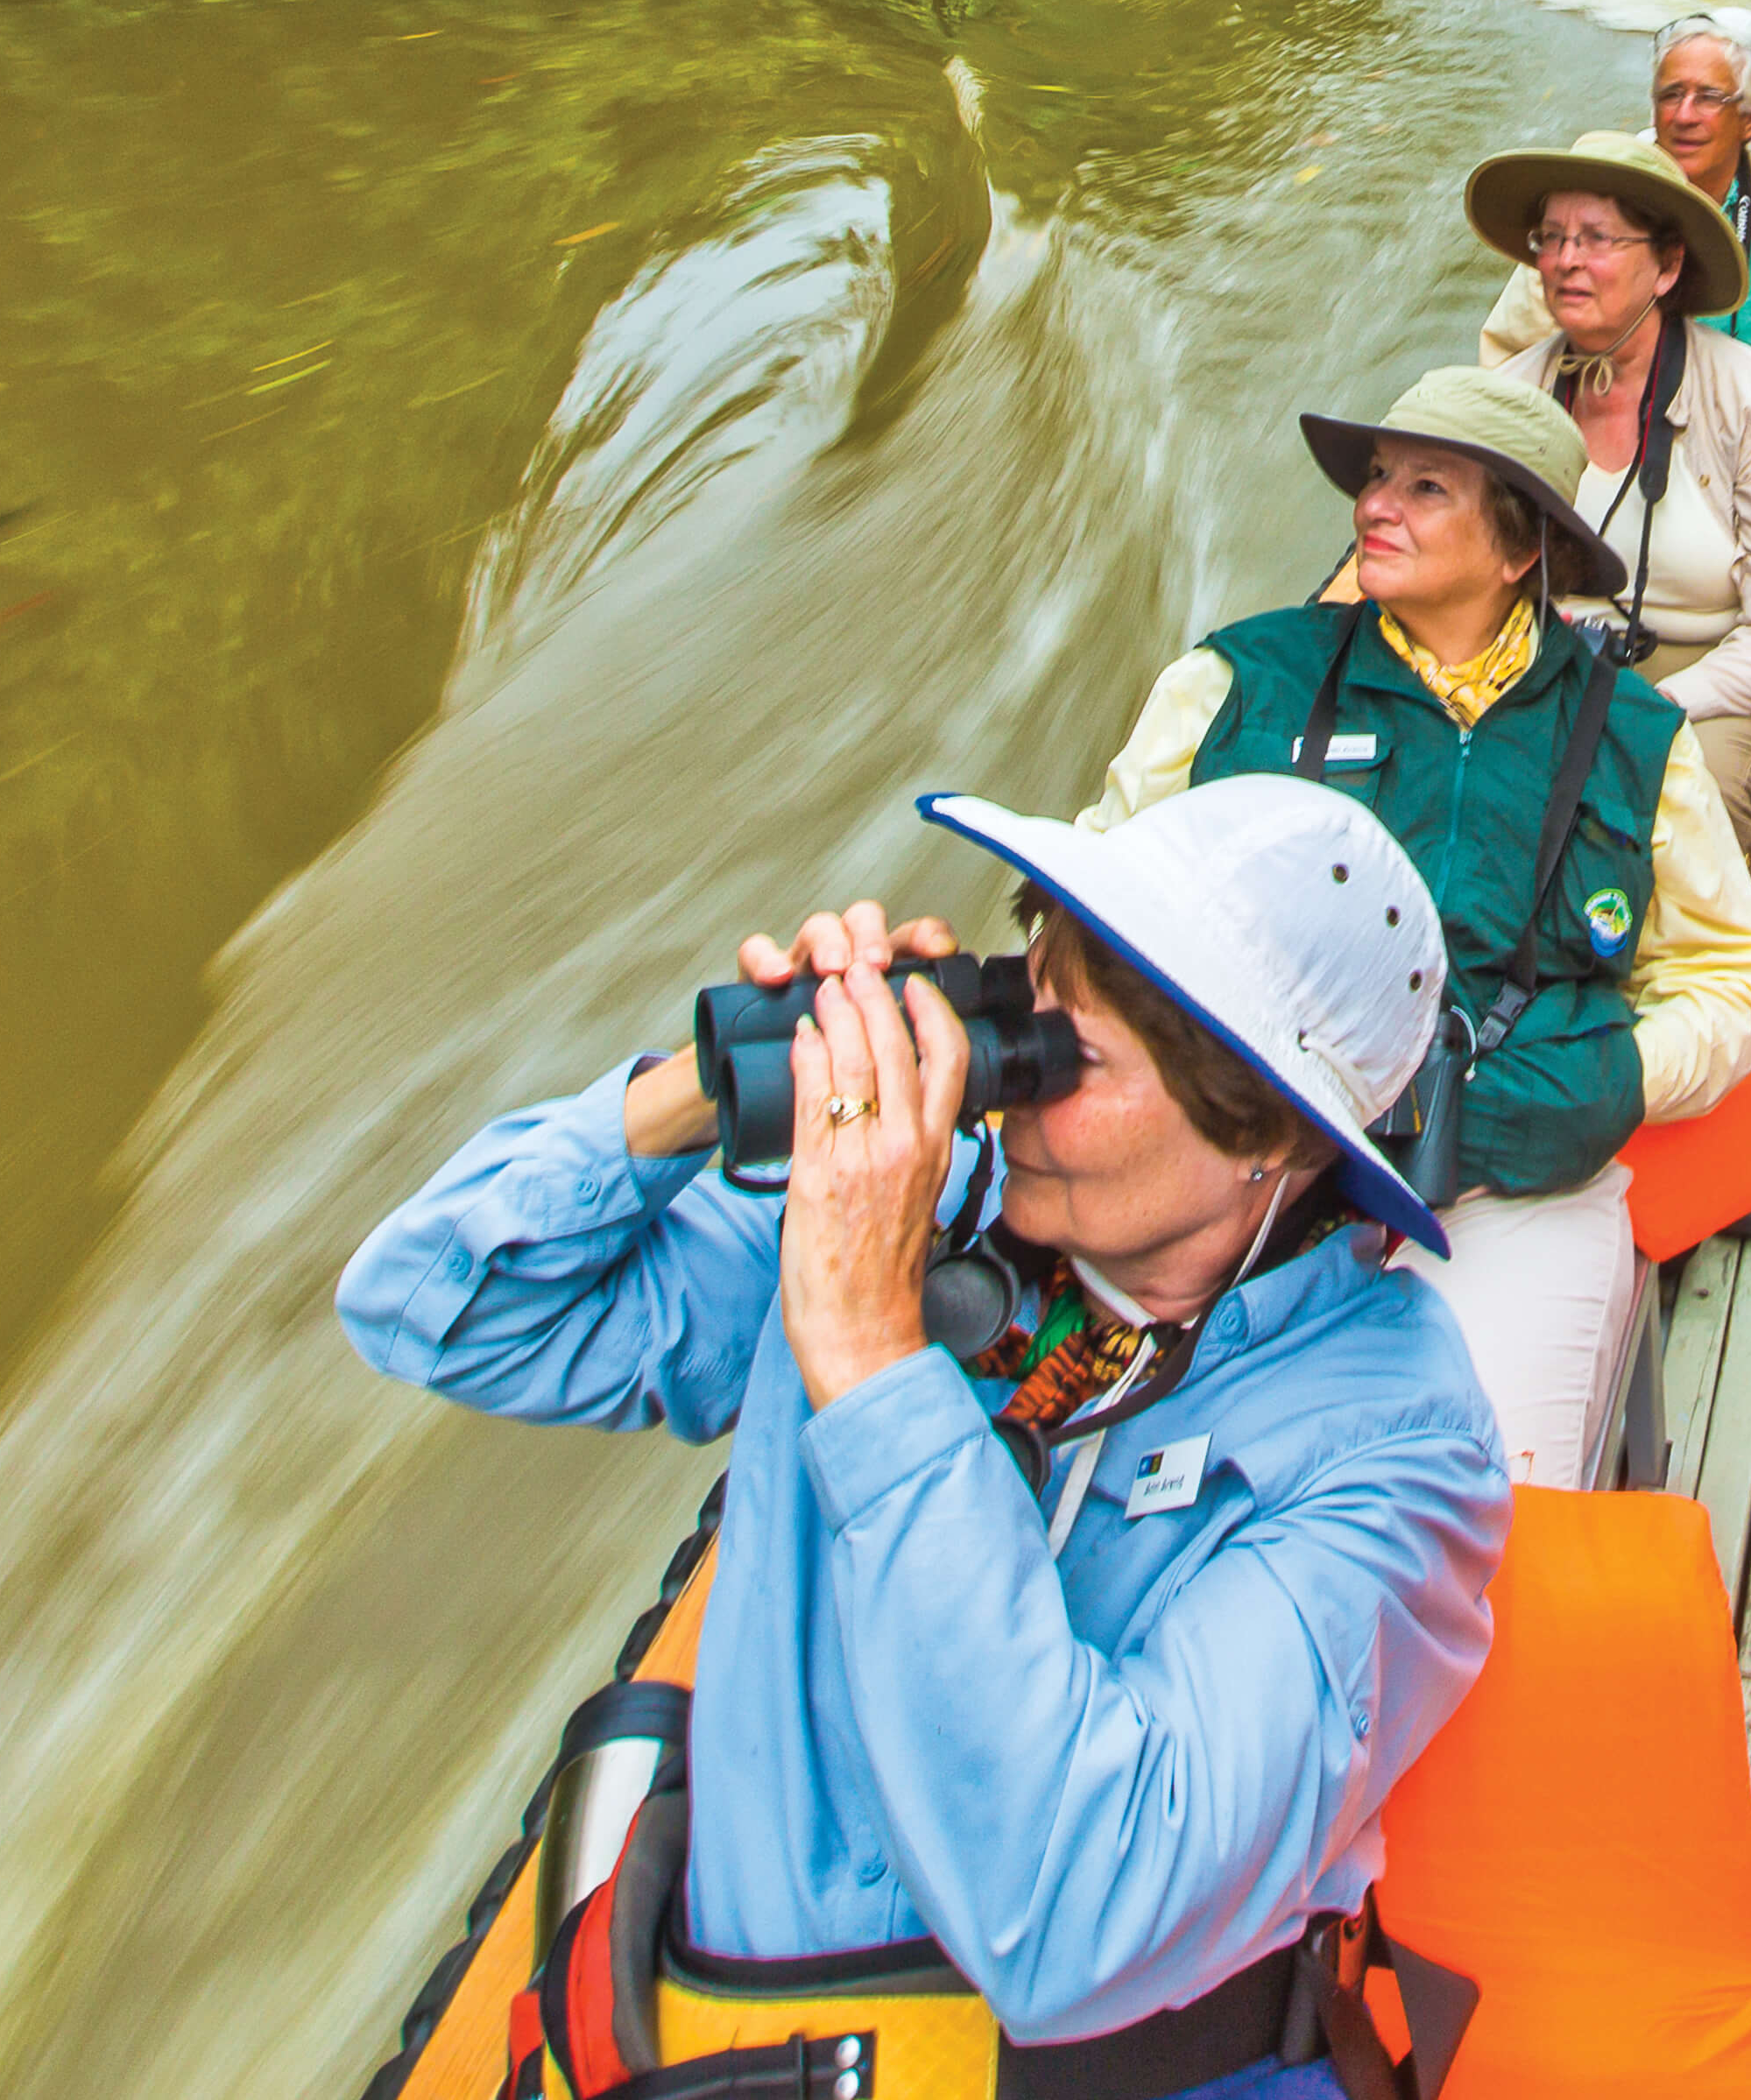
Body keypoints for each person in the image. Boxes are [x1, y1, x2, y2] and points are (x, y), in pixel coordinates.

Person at [336, 775, 1510, 2093]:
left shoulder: (1397, 1451)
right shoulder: (921, 1191)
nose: (1014, 1091)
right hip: (715, 2036)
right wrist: (711, 1087)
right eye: (1028, 1001)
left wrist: (872, 1358)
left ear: (1272, 1134)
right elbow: (435, 1305)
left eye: (1081, 1059)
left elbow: (1074, 1915)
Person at [1084, 366, 1751, 1487]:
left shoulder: (1635, 738)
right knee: (1128, 1473)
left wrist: (1607, 1083)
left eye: (1424, 487)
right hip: (1235, 1161)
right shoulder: (1235, 681)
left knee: (1478, 1502)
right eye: (1375, 480)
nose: (1374, 506)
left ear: (1518, 551)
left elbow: (1735, 979)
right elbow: (1093, 905)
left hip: (1510, 1188)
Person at [1474, 133, 1751, 904]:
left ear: (1665, 267)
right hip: (1562, 660)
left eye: (1595, 239)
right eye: (1552, 239)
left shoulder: (1749, 399)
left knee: (1694, 812)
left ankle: (1736, 1014)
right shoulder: (1514, 395)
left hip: (1742, 671)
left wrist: (1647, 712)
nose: (1565, 260)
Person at [1480, 9, 1751, 701]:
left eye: (1708, 98)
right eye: (1668, 95)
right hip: (1617, 416)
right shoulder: (1595, 215)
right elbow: (1507, 355)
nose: (1684, 115)